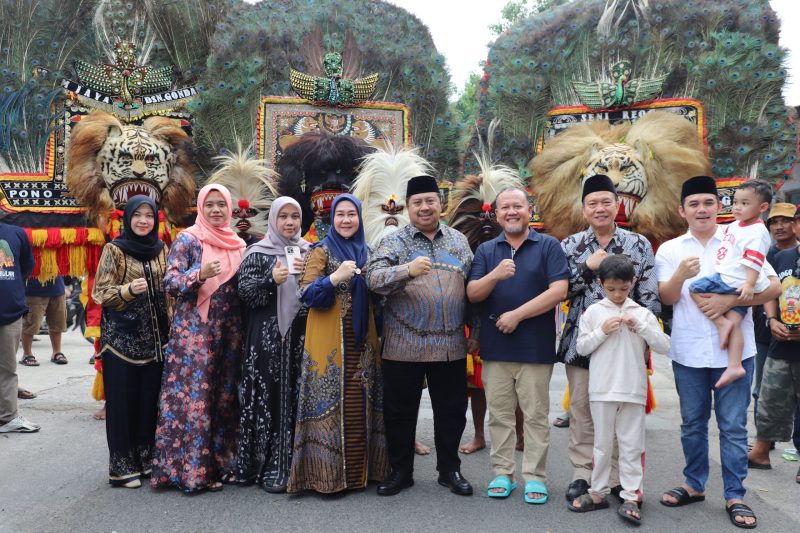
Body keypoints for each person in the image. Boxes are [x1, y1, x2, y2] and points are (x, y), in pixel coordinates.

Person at [656, 175, 781, 529]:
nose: (701, 210)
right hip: (689, 352)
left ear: (719, 206)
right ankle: (694, 485)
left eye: (708, 203)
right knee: (692, 425)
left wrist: (733, 299)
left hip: (735, 353)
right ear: (683, 210)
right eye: (693, 204)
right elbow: (666, 297)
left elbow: (771, 285)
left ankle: (735, 494)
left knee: (733, 427)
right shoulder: (670, 249)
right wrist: (680, 274)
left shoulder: (738, 236)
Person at [367, 175, 474, 497]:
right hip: (403, 344)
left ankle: (449, 470)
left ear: (441, 204)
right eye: (418, 202)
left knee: (452, 411)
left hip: (450, 346)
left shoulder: (458, 241)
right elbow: (372, 279)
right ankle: (401, 471)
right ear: (408, 207)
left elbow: (473, 291)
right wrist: (406, 271)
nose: (425, 207)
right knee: (399, 411)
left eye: (430, 201)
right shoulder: (394, 242)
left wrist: (477, 332)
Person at [559, 174, 661, 503]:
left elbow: (650, 295)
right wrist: (586, 268)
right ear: (583, 209)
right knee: (582, 409)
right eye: (593, 203)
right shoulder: (570, 245)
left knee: (620, 410)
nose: (600, 208)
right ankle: (582, 473)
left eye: (606, 201)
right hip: (583, 340)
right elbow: (561, 290)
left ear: (617, 205)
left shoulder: (638, 245)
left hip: (625, 342)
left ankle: (617, 477)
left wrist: (644, 337)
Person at [466, 187, 568, 504]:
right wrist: (495, 275)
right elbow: (472, 293)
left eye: (518, 206)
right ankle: (503, 473)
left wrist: (518, 315)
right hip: (496, 348)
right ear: (496, 214)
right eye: (505, 207)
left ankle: (535, 477)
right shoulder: (486, 251)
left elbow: (559, 290)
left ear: (529, 210)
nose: (512, 212)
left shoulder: (548, 245)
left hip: (535, 347)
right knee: (499, 415)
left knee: (536, 415)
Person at [288, 194, 388, 493]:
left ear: (359, 218)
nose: (346, 220)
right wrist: (334, 278)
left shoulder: (368, 253)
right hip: (327, 340)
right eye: (340, 214)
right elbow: (304, 294)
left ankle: (363, 474)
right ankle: (326, 478)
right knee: (328, 399)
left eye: (352, 214)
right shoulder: (320, 250)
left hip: (362, 341)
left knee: (361, 401)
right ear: (332, 219)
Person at [151, 184, 245, 493]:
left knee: (224, 398)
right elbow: (171, 281)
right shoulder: (188, 239)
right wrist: (199, 274)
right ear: (201, 208)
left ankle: (222, 462)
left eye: (221, 205)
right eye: (210, 205)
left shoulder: (238, 244)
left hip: (229, 334)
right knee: (195, 401)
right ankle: (192, 471)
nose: (216, 210)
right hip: (194, 337)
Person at [568, 255, 670, 525]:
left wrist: (644, 327)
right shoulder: (593, 312)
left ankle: (630, 496)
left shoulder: (641, 312)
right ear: (601, 284)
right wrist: (602, 331)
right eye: (611, 289)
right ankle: (598, 491)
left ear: (632, 283)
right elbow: (581, 348)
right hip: (601, 388)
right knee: (601, 444)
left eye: (623, 289)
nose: (616, 294)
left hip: (633, 389)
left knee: (631, 445)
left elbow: (663, 345)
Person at [92, 197, 170, 488]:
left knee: (148, 403)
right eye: (137, 215)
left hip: (153, 342)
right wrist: (126, 291)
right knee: (122, 406)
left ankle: (145, 459)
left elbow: (169, 292)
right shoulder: (114, 249)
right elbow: (101, 293)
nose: (143, 221)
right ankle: (122, 468)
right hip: (121, 341)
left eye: (149, 216)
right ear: (127, 219)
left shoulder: (161, 249)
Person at [235, 197, 310, 493]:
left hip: (299, 339)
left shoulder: (308, 251)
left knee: (294, 396)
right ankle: (265, 466)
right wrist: (270, 279)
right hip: (265, 341)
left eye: (295, 217)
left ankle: (295, 466)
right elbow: (245, 295)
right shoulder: (257, 253)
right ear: (273, 221)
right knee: (267, 398)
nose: (290, 222)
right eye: (284, 217)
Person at [688, 180, 773, 389]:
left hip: (731, 280)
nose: (737, 207)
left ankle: (719, 323)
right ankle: (734, 365)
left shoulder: (757, 232)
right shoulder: (737, 225)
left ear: (762, 207)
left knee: (694, 288)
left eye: (744, 204)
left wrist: (749, 285)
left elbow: (754, 260)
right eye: (735, 202)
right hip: (735, 281)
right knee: (735, 323)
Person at [747, 229, 800, 484]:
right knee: (769, 398)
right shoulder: (781, 257)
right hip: (779, 342)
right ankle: (760, 452)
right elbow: (769, 288)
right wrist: (771, 319)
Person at [752, 203, 799, 424]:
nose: (779, 227)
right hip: (766, 332)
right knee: (763, 389)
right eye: (774, 222)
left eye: (785, 221)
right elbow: (761, 291)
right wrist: (769, 319)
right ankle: (763, 442)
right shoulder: (766, 254)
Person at [0, 218, 39, 434]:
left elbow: (26, 267)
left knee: (7, 368)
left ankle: (7, 418)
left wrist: (9, 288)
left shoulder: (16, 233)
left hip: (9, 311)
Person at [18, 276, 68, 366]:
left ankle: (56, 352)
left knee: (57, 323)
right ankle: (27, 354)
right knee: (31, 323)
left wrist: (66, 285)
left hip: (57, 287)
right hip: (34, 289)